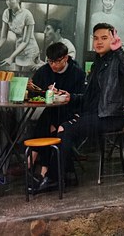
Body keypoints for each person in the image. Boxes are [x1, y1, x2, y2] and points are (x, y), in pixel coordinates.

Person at [30, 23, 124, 192]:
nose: (99, 42)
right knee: (59, 125)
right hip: (95, 114)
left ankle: (54, 178)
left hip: (111, 117)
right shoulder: (97, 64)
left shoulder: (117, 59)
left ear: (113, 39)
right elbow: (89, 96)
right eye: (96, 38)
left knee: (65, 129)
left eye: (104, 38)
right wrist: (70, 97)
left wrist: (119, 50)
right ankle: (65, 175)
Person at [26, 42, 86, 171]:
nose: (53, 65)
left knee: (49, 122)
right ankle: (44, 169)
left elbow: (82, 97)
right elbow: (34, 91)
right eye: (50, 61)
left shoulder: (77, 73)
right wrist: (32, 88)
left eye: (57, 61)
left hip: (71, 112)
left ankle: (32, 160)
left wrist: (66, 95)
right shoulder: (45, 70)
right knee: (49, 123)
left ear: (65, 58)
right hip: (52, 112)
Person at [0, 0, 41, 70]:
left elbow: (25, 41)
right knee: (17, 78)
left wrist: (11, 57)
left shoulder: (27, 14)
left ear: (18, 0)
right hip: (18, 49)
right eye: (7, 0)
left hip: (30, 50)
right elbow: (3, 37)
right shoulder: (6, 13)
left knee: (25, 78)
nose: (8, 2)